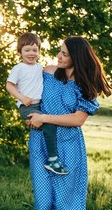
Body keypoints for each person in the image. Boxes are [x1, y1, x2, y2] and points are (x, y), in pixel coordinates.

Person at [26, 36, 112, 210]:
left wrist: (45, 117)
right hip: (41, 143)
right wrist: (31, 112)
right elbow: (27, 88)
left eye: (64, 53)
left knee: (65, 201)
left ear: (77, 56)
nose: (59, 56)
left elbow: (77, 119)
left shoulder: (86, 86)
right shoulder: (47, 72)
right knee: (43, 201)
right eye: (59, 52)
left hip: (69, 147)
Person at [6, 32, 68, 174]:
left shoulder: (40, 68)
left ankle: (35, 145)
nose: (31, 53)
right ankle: (53, 160)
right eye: (27, 50)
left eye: (35, 50)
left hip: (39, 106)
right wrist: (21, 97)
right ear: (20, 52)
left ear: (39, 51)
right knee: (50, 124)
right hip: (27, 106)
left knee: (48, 127)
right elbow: (9, 86)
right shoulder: (19, 68)